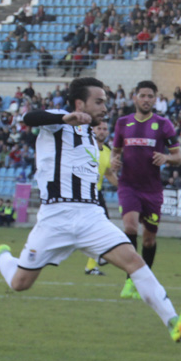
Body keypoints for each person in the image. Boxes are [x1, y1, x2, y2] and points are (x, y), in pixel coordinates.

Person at [0, 77, 181, 343]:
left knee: (134, 262)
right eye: (99, 102)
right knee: (19, 284)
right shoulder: (58, 121)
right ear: (80, 103)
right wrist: (64, 119)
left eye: (105, 102)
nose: (105, 107)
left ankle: (174, 322)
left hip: (90, 216)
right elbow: (29, 117)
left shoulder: (93, 138)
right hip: (55, 217)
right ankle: (2, 256)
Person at [111, 80, 181, 299]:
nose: (146, 100)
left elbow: (178, 157)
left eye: (150, 96)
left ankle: (144, 278)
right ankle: (130, 279)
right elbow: (115, 152)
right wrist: (115, 162)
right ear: (135, 98)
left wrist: (167, 158)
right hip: (128, 185)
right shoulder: (123, 123)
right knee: (130, 227)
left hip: (152, 190)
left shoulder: (163, 124)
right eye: (142, 95)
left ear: (155, 99)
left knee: (149, 239)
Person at [83, 118, 119, 275]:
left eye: (105, 129)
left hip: (96, 194)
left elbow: (109, 173)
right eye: (99, 128)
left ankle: (93, 263)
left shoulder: (107, 151)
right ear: (92, 130)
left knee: (103, 225)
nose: (102, 131)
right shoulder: (84, 147)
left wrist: (123, 187)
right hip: (82, 193)